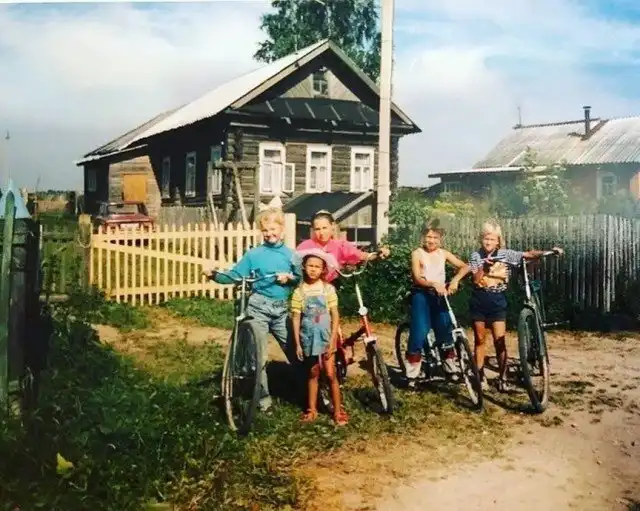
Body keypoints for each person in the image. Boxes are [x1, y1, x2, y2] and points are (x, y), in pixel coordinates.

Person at [202, 207, 301, 412]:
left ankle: (306, 392)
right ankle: (263, 401)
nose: (269, 234)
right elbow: (235, 276)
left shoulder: (291, 255)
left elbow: (300, 278)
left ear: (282, 229)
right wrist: (213, 275)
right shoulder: (254, 255)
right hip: (258, 308)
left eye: (273, 229)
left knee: (296, 351)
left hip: (282, 310)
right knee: (258, 357)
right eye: (265, 230)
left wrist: (290, 279)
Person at [468, 220, 563, 392]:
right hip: (479, 299)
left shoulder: (506, 254)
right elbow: (475, 280)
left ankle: (503, 377)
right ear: (481, 239)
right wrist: (484, 267)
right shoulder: (476, 256)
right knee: (479, 340)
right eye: (485, 239)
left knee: (500, 341)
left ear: (498, 241)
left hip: (498, 301)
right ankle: (480, 375)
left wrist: (548, 251)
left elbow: (527, 255)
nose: (488, 242)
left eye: (492, 239)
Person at [405, 221, 470, 379]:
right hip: (422, 294)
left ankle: (449, 367)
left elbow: (465, 266)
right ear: (423, 237)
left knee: (445, 328)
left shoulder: (443, 253)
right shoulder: (417, 253)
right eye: (428, 237)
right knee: (420, 331)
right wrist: (433, 284)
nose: (431, 240)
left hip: (440, 296)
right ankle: (412, 372)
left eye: (435, 237)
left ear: (440, 239)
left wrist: (455, 280)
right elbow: (417, 278)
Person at [291, 248, 347, 426]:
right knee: (313, 372)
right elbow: (296, 318)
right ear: (304, 267)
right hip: (308, 337)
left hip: (326, 337)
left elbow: (335, 315)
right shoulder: (299, 292)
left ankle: (337, 411)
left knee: (330, 374)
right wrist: (297, 344)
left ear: (323, 269)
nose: (313, 269)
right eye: (310, 266)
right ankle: (312, 409)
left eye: (317, 266)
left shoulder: (328, 289)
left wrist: (332, 341)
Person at [296, 210, 390, 283]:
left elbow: (361, 255)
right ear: (313, 230)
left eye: (325, 228)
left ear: (332, 226)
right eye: (317, 229)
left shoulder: (341, 245)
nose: (321, 232)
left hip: (333, 287)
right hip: (309, 288)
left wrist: (378, 254)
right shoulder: (304, 247)